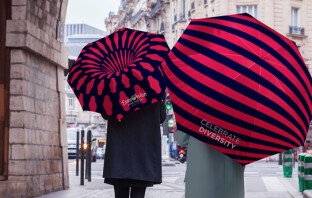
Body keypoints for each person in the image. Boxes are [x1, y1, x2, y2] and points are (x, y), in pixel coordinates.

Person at [101, 93, 166, 198]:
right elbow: (161, 117)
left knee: (120, 193)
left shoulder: (115, 85)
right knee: (139, 193)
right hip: (143, 152)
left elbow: (105, 114)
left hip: (119, 153)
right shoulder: (153, 88)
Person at [174, 130, 245, 198]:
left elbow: (181, 138)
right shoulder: (244, 117)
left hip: (201, 181)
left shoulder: (193, 116)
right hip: (233, 180)